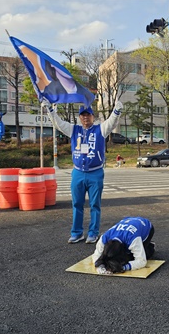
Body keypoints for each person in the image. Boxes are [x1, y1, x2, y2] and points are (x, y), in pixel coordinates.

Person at [45, 101, 122, 244]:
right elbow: (58, 123)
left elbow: (111, 123)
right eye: (83, 115)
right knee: (77, 204)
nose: (85, 118)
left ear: (93, 116)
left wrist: (116, 111)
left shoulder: (100, 129)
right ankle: (77, 233)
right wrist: (50, 110)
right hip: (78, 172)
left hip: (95, 172)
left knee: (95, 204)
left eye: (88, 115)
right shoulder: (74, 130)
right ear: (80, 117)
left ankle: (93, 233)